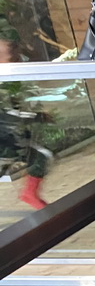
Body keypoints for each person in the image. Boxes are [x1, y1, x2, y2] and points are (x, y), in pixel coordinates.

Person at [0, 31, 53, 209]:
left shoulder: (7, 77)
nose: (17, 60)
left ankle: (30, 193)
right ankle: (30, 194)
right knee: (39, 156)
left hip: (8, 135)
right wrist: (36, 117)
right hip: (6, 135)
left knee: (40, 156)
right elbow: (7, 114)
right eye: (12, 57)